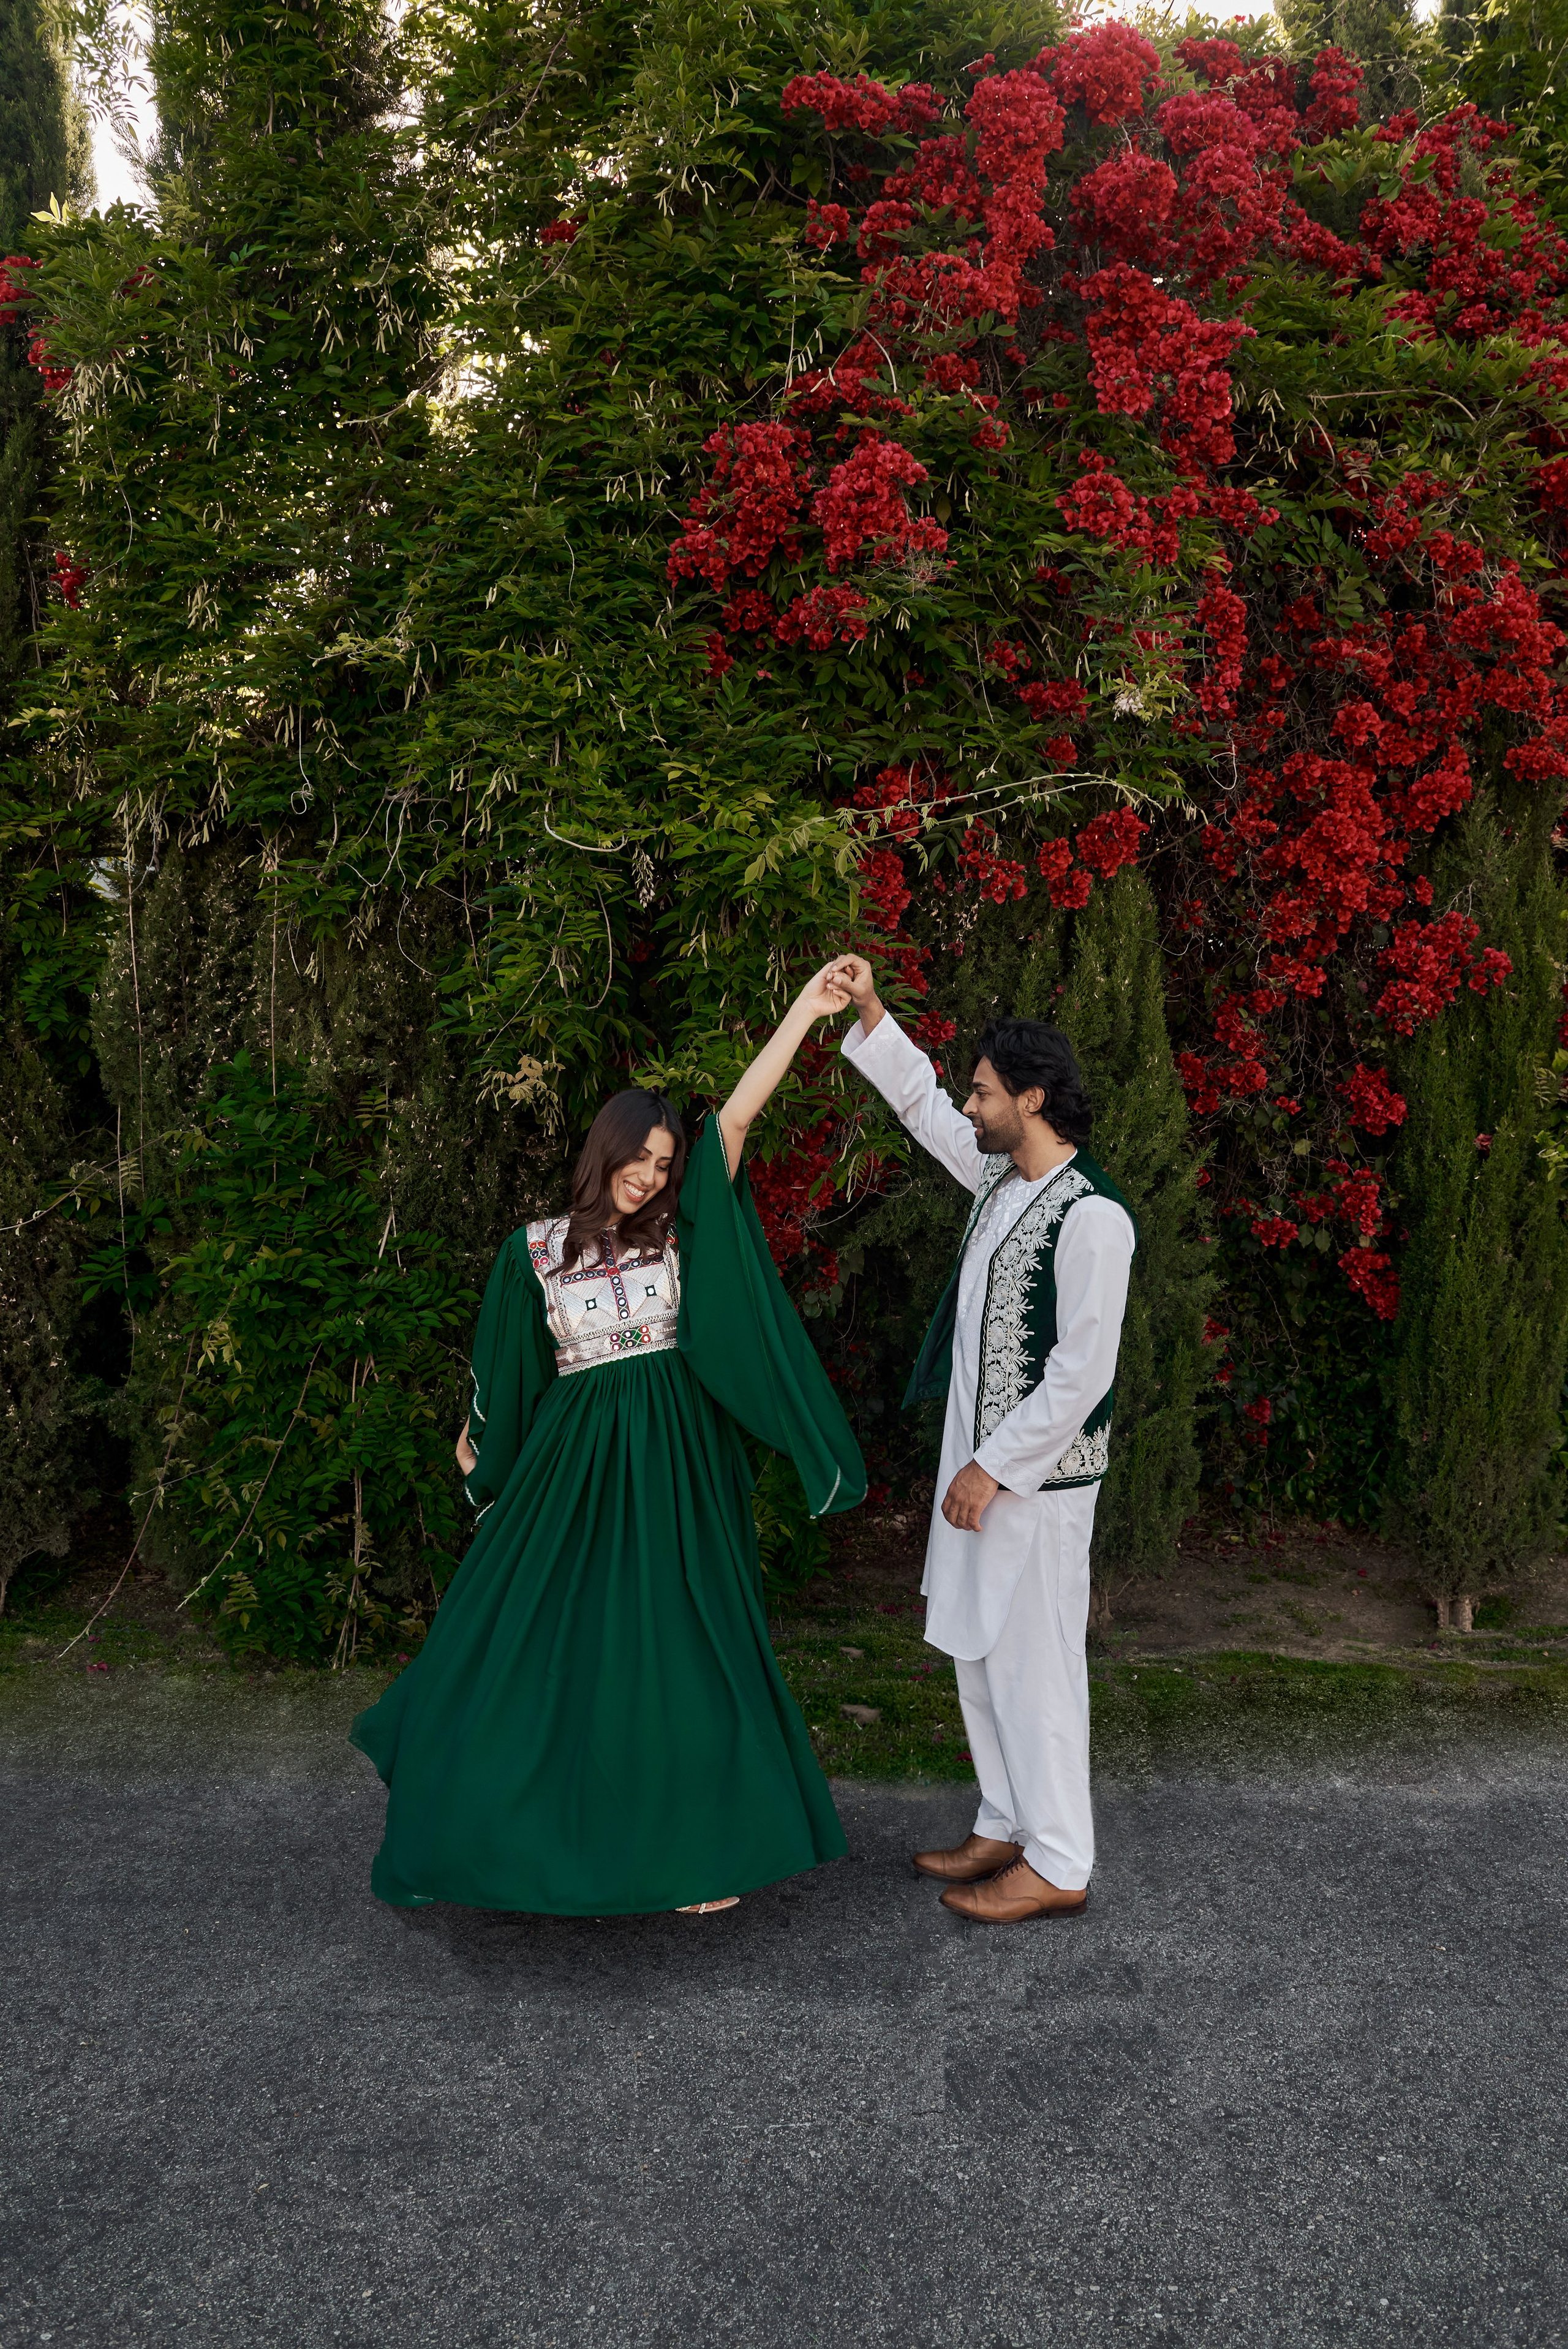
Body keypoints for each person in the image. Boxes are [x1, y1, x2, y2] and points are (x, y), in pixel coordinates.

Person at [350, 963, 866, 1918]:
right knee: (545, 1645)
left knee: (685, 1643)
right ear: (605, 1150)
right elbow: (508, 1381)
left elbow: (738, 1122)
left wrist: (803, 1007)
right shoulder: (533, 1252)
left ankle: (695, 1855)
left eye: (667, 1163)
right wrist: (481, 1459)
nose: (653, 1174)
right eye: (642, 1157)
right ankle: (510, 1833)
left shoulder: (680, 1236)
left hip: (677, 1461)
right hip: (576, 1472)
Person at [834, 956, 1136, 1924]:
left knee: (1035, 1660)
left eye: (985, 1091)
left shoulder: (1093, 1219)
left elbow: (1082, 1376)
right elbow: (923, 1107)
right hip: (976, 1476)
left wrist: (993, 1469)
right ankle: (1005, 1821)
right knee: (976, 1650)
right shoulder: (1002, 1182)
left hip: (1036, 1489)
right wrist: (874, 1012)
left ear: (1032, 1099)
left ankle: (1059, 1860)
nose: (971, 1104)